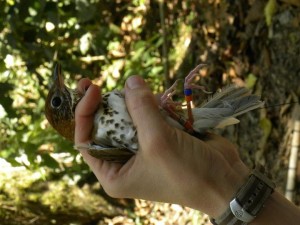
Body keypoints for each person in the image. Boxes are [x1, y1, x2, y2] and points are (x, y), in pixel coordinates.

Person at [75, 75, 300, 224]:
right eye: (58, 101)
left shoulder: (100, 109)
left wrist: (229, 182)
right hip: (184, 126)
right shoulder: (96, 138)